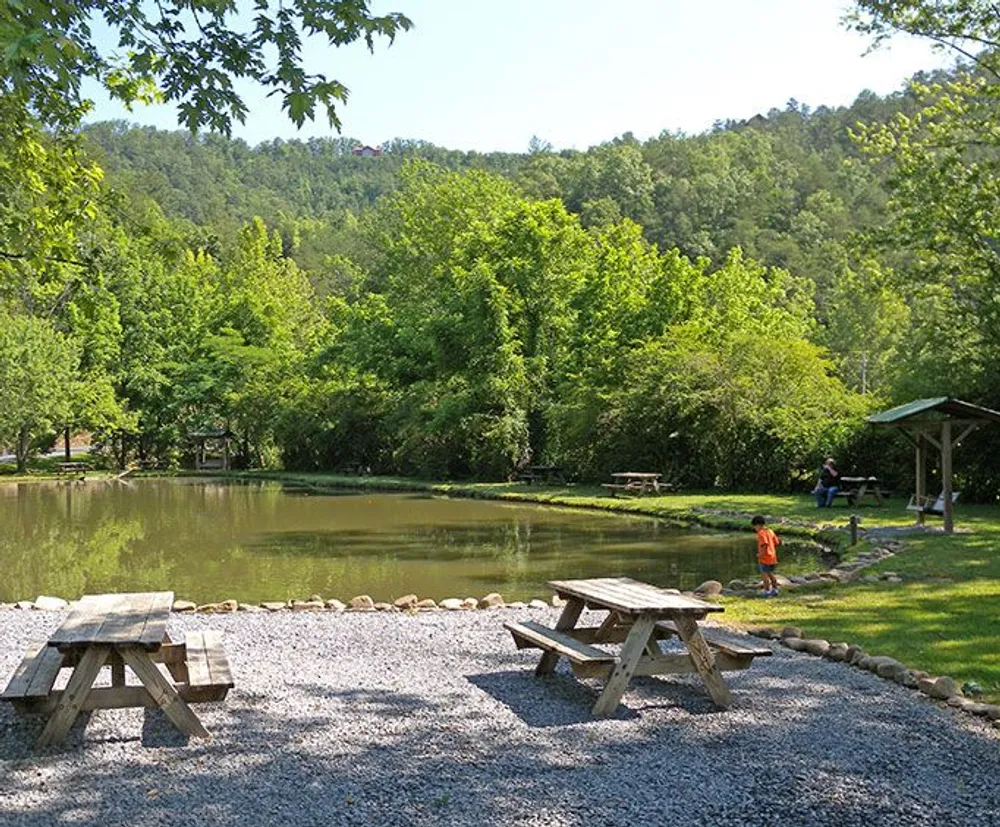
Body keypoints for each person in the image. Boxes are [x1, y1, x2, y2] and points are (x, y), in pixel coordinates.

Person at [751, 515, 781, 597]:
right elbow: (777, 542)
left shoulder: (761, 533)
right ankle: (775, 589)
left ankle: (767, 591)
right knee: (771, 574)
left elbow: (764, 544)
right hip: (772, 557)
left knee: (764, 576)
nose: (755, 529)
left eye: (755, 527)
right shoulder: (770, 531)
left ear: (758, 525)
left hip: (765, 558)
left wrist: (760, 554)